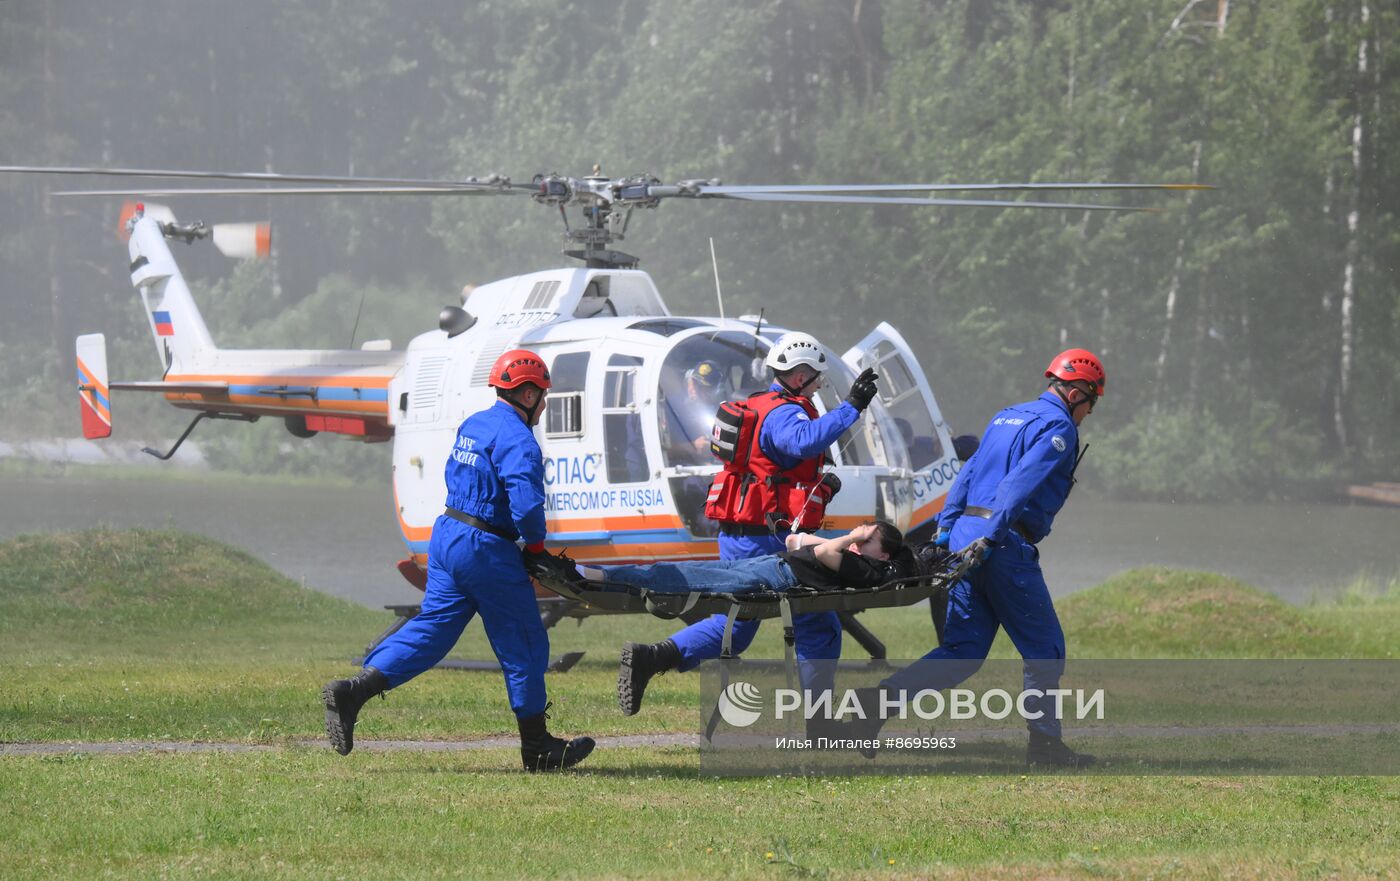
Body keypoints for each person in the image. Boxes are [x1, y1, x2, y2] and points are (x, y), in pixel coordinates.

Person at [320, 349, 595, 772]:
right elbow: (526, 507)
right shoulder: (520, 440)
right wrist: (537, 550)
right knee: (523, 641)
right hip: (486, 547)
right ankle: (537, 747)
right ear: (527, 395)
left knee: (432, 628)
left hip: (448, 535)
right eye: (543, 396)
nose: (543, 405)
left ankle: (354, 691)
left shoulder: (475, 424)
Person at [840, 348, 1105, 767]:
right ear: (1077, 394)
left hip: (965, 532)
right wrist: (993, 536)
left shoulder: (1006, 416)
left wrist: (945, 531)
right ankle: (1045, 746)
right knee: (1045, 648)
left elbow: (966, 474)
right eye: (1091, 404)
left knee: (962, 651)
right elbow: (1019, 484)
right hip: (1002, 542)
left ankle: (874, 703)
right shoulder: (1058, 426)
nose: (1088, 414)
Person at [617, 331, 880, 716]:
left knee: (736, 626)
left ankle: (651, 657)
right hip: (769, 540)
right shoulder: (785, 412)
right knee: (818, 623)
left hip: (742, 536)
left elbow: (777, 463)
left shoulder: (760, 403)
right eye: (816, 376)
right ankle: (820, 720)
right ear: (799, 375)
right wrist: (852, 407)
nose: (819, 383)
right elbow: (802, 442)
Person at [581, 521, 912, 595]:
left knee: (683, 580)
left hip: (773, 577)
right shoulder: (856, 558)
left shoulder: (869, 569)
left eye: (867, 541)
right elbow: (796, 540)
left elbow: (824, 552)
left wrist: (851, 537)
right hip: (771, 565)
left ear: (883, 555)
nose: (859, 543)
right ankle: (598, 574)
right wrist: (849, 540)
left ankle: (601, 577)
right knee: (687, 569)